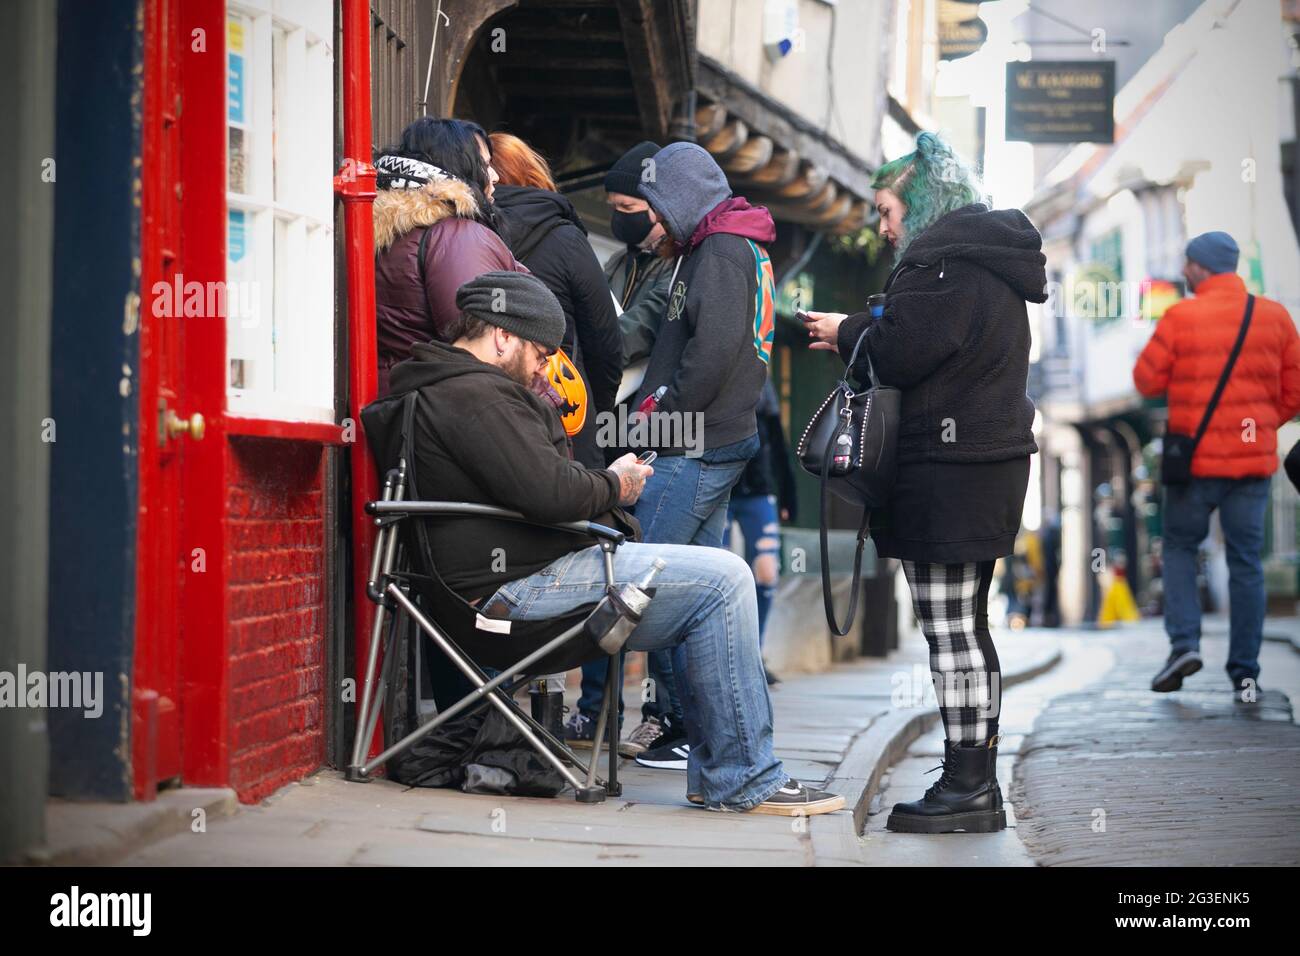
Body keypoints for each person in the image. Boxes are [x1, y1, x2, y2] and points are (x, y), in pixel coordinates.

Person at [383, 270, 844, 816]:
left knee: (712, 585)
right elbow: (550, 491)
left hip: (504, 589)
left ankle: (724, 771)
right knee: (725, 580)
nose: (544, 370)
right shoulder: (475, 394)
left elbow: (534, 486)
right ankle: (741, 778)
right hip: (512, 598)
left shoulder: (444, 386)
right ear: (502, 337)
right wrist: (617, 483)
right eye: (540, 353)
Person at [803, 131, 1047, 834]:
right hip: (983, 465)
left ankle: (971, 785)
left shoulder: (942, 264)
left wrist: (850, 331)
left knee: (950, 630)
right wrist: (863, 324)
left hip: (953, 471)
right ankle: (974, 776)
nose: (881, 225)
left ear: (919, 201)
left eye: (886, 209)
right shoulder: (983, 261)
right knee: (964, 626)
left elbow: (905, 353)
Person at [571, 142, 779, 772]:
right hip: (713, 438)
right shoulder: (734, 244)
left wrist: (658, 421)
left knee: (638, 576)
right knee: (698, 585)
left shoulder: (716, 251)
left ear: (683, 198)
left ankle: (692, 733)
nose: (651, 223)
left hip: (693, 442)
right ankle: (705, 743)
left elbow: (709, 356)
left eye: (656, 208)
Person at [1133, 231, 1300, 701]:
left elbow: (1145, 379)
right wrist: (1261, 424)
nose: (1184, 272)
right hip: (1251, 466)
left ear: (1202, 268)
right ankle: (1244, 671)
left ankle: (1184, 644)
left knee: (1182, 547)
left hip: (1195, 464)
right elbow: (1295, 392)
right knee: (1247, 562)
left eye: (1188, 265)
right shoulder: (1274, 317)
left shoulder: (1180, 317)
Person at [489, 132, 623, 471]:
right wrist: (598, 409)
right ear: (532, 173)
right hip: (563, 403)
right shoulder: (564, 238)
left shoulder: (465, 233)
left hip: (486, 405)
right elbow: (604, 340)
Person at [373, 117, 525, 395]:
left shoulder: (399, 230)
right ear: (457, 166)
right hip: (449, 407)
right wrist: (548, 398)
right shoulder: (457, 235)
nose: (495, 177)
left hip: (403, 400)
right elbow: (486, 348)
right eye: (485, 165)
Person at [723, 377, 798, 685]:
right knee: (718, 572)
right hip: (720, 487)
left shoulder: (762, 381)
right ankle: (723, 655)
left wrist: (788, 496)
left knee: (767, 572)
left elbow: (778, 442)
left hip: (758, 487)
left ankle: (753, 652)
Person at [603, 140, 677, 366]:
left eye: (627, 208)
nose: (618, 216)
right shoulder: (618, 261)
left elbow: (649, 319)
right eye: (613, 207)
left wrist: (600, 348)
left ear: (658, 208)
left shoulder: (676, 262)